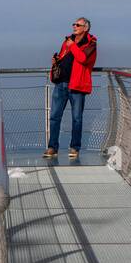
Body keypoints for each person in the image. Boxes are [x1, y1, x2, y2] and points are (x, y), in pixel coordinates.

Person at [45, 17, 97, 160]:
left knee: (77, 119)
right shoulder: (68, 41)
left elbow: (82, 58)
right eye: (74, 24)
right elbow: (64, 57)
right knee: (54, 117)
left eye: (78, 25)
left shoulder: (91, 43)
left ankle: (75, 148)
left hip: (77, 86)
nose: (74, 26)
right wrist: (56, 61)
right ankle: (52, 147)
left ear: (85, 28)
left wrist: (72, 45)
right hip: (61, 84)